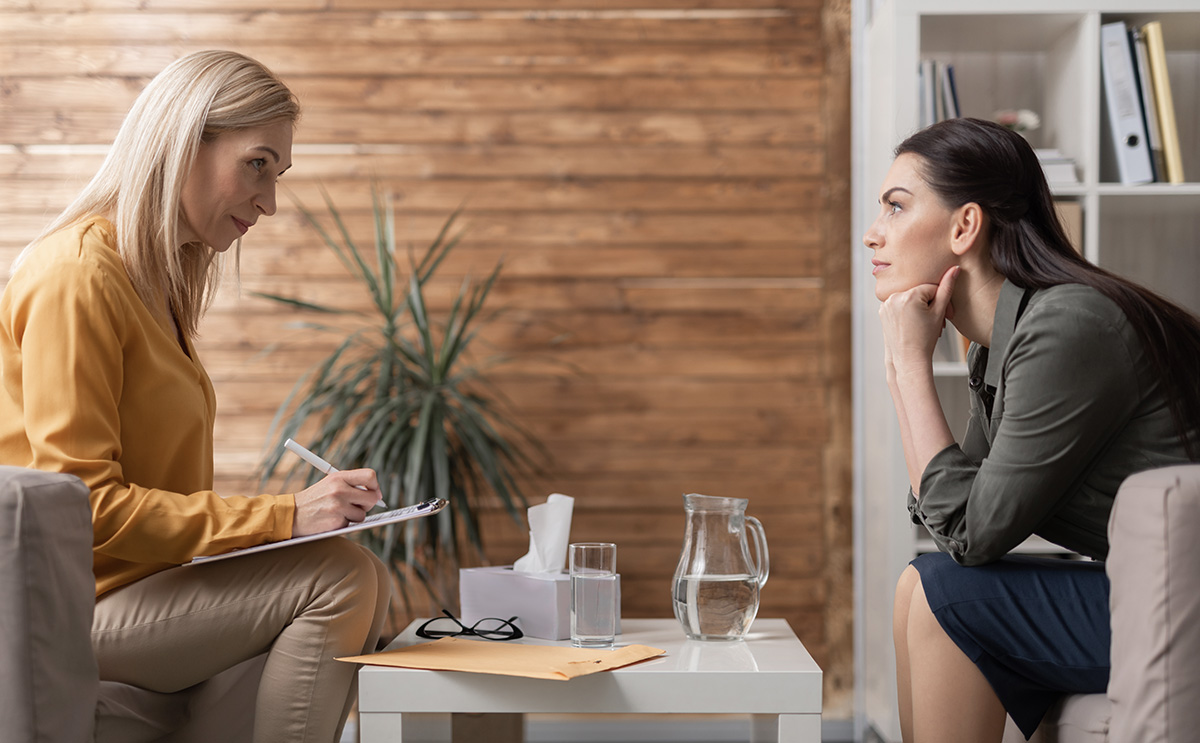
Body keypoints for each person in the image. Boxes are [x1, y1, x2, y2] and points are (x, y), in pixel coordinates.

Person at [0, 51, 391, 743]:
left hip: (133, 591)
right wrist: (282, 516)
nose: (268, 201)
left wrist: (275, 529)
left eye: (277, 174)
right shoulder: (78, 278)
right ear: (186, 138)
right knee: (340, 578)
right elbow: (82, 504)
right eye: (258, 164)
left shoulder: (149, 286)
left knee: (353, 584)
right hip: (68, 605)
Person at [862, 117, 1200, 743]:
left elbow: (973, 534)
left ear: (965, 226)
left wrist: (909, 367)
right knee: (920, 585)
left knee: (946, 595)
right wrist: (900, 371)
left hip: (1187, 604)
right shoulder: (999, 347)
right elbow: (953, 517)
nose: (871, 234)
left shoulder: (1068, 325)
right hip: (1151, 589)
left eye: (895, 207)